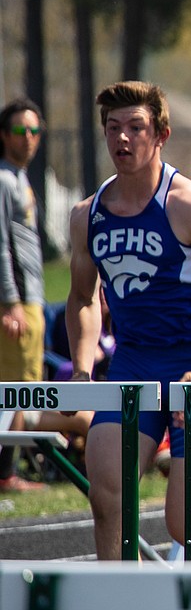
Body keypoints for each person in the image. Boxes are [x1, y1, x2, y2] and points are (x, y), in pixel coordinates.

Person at [64, 81, 191, 559]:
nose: (123, 139)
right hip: (134, 366)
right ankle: (119, 596)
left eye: (136, 128)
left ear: (161, 135)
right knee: (107, 494)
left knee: (186, 526)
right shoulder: (86, 216)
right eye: (113, 128)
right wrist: (80, 368)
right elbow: (81, 297)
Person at [0, 98, 47, 492]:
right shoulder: (2, 179)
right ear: (4, 135)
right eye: (20, 130)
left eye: (34, 130)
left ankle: (10, 469)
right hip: (16, 303)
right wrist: (10, 301)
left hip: (32, 297)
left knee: (24, 388)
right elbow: (0, 245)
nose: (28, 138)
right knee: (12, 388)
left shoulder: (20, 176)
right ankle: (5, 473)